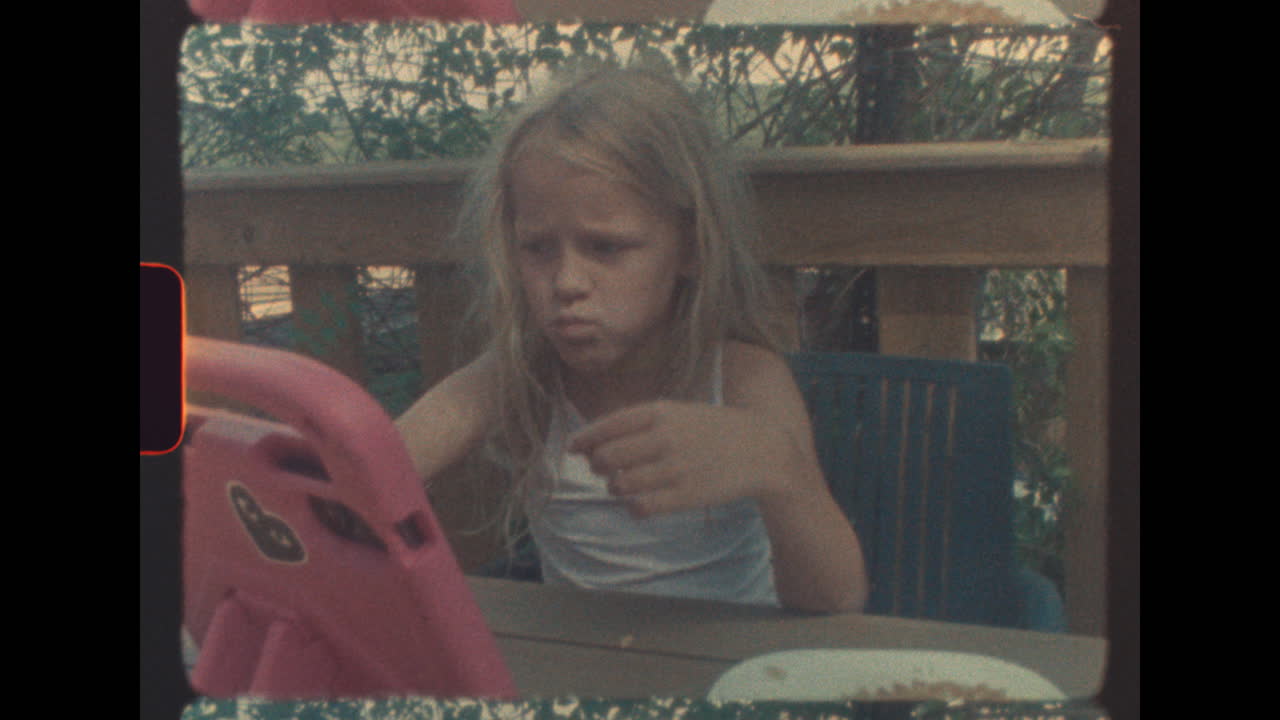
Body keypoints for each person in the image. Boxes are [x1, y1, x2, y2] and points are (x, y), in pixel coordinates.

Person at [396, 63, 867, 613]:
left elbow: (838, 603)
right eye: (537, 248)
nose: (567, 283)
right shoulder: (518, 373)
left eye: (607, 248)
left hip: (734, 672)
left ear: (690, 248)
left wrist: (779, 467)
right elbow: (378, 466)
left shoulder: (742, 378)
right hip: (590, 671)